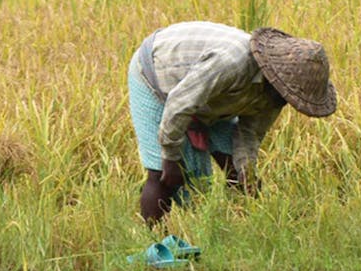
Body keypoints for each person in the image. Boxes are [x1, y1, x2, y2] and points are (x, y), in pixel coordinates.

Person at [128, 21, 337, 224]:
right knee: (162, 173)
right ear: (275, 78)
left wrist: (248, 175)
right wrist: (171, 157)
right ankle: (156, 243)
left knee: (237, 170)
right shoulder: (231, 63)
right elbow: (179, 105)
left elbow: (249, 135)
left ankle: (233, 229)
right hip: (157, 76)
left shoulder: (274, 96)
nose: (286, 101)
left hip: (211, 98)